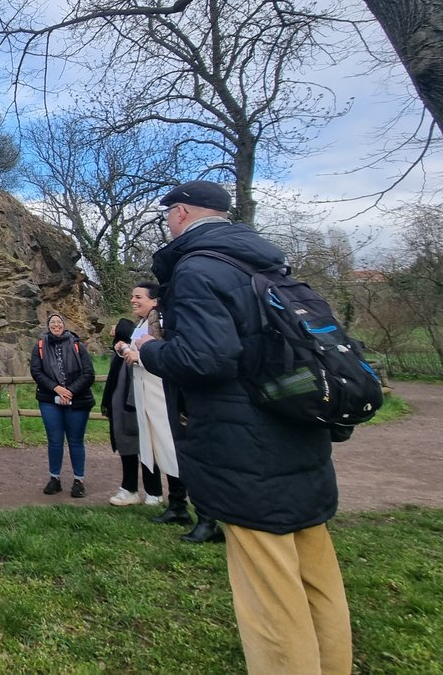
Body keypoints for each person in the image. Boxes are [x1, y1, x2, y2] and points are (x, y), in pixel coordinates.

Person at [136, 180, 351, 674]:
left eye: (169, 215)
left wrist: (149, 351)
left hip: (245, 448)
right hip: (298, 432)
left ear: (183, 212)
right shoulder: (268, 265)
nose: (168, 223)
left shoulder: (197, 268)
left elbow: (206, 358)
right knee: (317, 576)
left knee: (269, 594)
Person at [120, 282, 220, 542]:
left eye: (138, 296)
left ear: (154, 301)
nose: (133, 300)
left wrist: (138, 357)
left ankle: (206, 516)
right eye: (132, 296)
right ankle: (177, 506)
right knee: (162, 451)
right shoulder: (142, 324)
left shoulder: (163, 324)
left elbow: (170, 355)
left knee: (176, 451)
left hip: (164, 396)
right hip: (147, 396)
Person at [30, 313, 95, 498]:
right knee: (55, 441)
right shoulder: (40, 345)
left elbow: (88, 373)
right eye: (52, 322)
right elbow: (36, 371)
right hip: (50, 399)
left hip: (77, 400)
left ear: (64, 325)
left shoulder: (77, 345)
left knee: (75, 441)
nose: (56, 325)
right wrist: (56, 388)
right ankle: (54, 478)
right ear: (48, 326)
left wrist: (70, 391)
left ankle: (78, 480)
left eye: (59, 322)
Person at [101, 316, 160, 507]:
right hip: (121, 411)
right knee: (127, 449)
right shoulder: (119, 353)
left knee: (146, 450)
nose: (111, 328)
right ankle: (129, 488)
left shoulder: (131, 351)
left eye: (115, 326)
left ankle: (154, 491)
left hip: (132, 409)